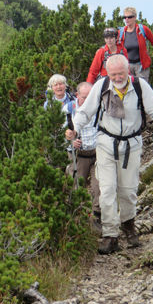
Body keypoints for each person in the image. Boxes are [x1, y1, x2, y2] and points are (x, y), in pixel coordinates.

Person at [66, 54, 153, 254]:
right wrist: (75, 129)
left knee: (128, 190)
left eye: (120, 73)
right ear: (108, 73)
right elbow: (85, 112)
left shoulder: (139, 86)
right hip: (106, 144)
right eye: (113, 74)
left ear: (127, 70)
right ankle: (110, 235)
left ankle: (128, 226)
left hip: (132, 144)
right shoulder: (102, 85)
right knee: (107, 190)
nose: (117, 78)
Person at [63, 82, 101, 233]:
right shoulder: (68, 109)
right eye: (85, 97)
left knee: (100, 186)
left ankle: (97, 217)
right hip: (79, 155)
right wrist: (70, 140)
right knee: (77, 186)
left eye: (91, 96)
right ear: (77, 95)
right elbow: (58, 132)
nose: (88, 100)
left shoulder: (100, 106)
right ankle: (78, 217)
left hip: (98, 153)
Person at [117, 7, 153, 83]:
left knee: (141, 88)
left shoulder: (143, 29)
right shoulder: (121, 32)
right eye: (125, 17)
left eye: (129, 17)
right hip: (127, 67)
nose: (127, 19)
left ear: (135, 17)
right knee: (129, 88)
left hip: (141, 66)